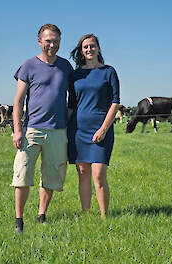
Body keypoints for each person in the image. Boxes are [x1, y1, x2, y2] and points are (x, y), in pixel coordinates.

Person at [11, 24, 74, 233]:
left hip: (57, 131)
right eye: (48, 40)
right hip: (32, 129)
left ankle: (42, 214)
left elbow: (74, 96)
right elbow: (18, 101)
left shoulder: (66, 67)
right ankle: (19, 220)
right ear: (39, 41)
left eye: (56, 40)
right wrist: (18, 130)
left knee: (51, 176)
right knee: (22, 175)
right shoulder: (28, 66)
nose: (52, 44)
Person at [67, 34, 120, 219]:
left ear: (98, 48)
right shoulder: (75, 75)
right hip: (78, 130)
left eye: (92, 46)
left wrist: (103, 129)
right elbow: (71, 105)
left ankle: (104, 216)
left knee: (98, 175)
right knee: (82, 173)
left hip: (101, 129)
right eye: (85, 47)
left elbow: (115, 103)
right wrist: (64, 129)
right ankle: (86, 214)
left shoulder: (109, 72)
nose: (89, 49)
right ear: (81, 51)